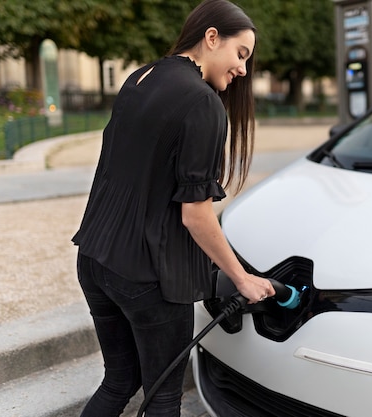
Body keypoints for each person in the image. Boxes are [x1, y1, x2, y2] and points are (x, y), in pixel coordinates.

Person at [72, 1, 274, 415]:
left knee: (118, 380)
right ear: (212, 37)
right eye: (242, 54)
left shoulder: (140, 77)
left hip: (94, 260)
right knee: (163, 396)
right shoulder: (203, 103)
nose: (243, 70)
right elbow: (195, 214)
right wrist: (242, 278)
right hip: (150, 278)